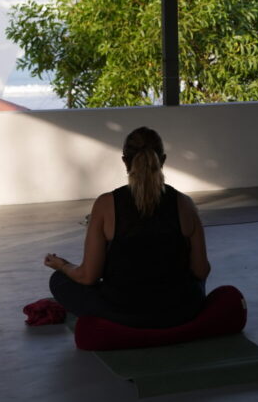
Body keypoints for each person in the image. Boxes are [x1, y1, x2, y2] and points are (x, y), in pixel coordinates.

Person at [43, 126, 211, 328]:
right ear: (163, 160)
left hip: (122, 313)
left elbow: (88, 277)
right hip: (179, 311)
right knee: (194, 286)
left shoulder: (106, 204)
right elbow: (201, 271)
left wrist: (62, 265)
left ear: (125, 161)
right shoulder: (185, 204)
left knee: (59, 281)